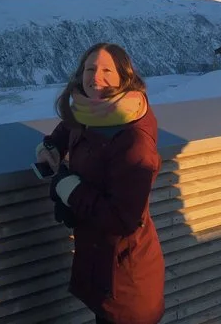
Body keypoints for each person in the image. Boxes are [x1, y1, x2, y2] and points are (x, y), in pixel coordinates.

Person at [34, 43, 164, 323]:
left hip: (127, 279)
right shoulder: (89, 112)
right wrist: (50, 147)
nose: (96, 77)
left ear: (124, 78)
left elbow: (124, 218)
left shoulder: (133, 139)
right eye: (90, 69)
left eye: (107, 70)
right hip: (102, 266)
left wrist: (70, 189)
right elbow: (67, 129)